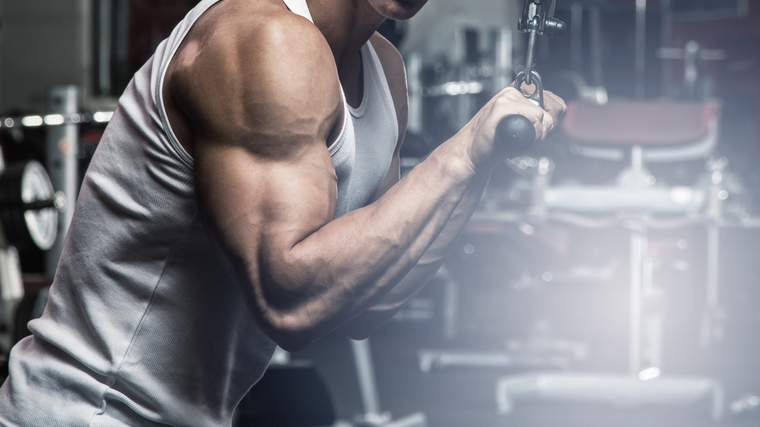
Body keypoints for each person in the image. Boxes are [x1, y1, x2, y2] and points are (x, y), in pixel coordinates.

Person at [0, 0, 565, 425]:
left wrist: (483, 162)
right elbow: (289, 302)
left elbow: (366, 305)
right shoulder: (266, 40)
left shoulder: (383, 69)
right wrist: (463, 155)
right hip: (86, 413)